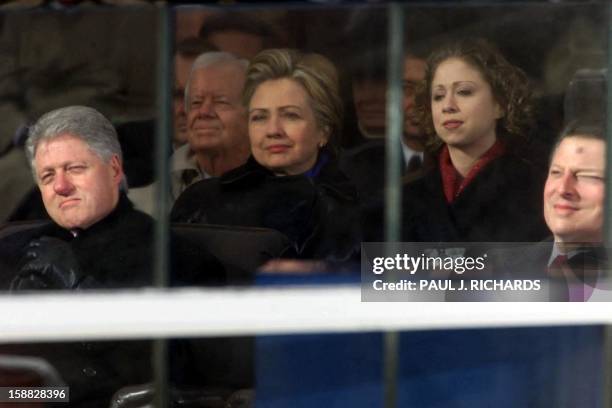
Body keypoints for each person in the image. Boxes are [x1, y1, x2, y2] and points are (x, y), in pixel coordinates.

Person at [0, 105, 224, 406]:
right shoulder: (13, 247)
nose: (61, 186)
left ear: (115, 170)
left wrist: (78, 290)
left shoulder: (171, 255)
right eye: (48, 175)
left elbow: (159, 376)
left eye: (75, 169)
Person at [171, 48, 361, 262]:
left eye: (290, 115)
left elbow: (397, 283)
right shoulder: (200, 202)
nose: (273, 130)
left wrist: (321, 275)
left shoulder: (362, 204)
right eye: (260, 117)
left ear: (323, 130)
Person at [402, 38, 549, 242]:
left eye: (464, 92)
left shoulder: (536, 190)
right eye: (438, 95)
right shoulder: (406, 196)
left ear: (499, 104)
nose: (448, 105)